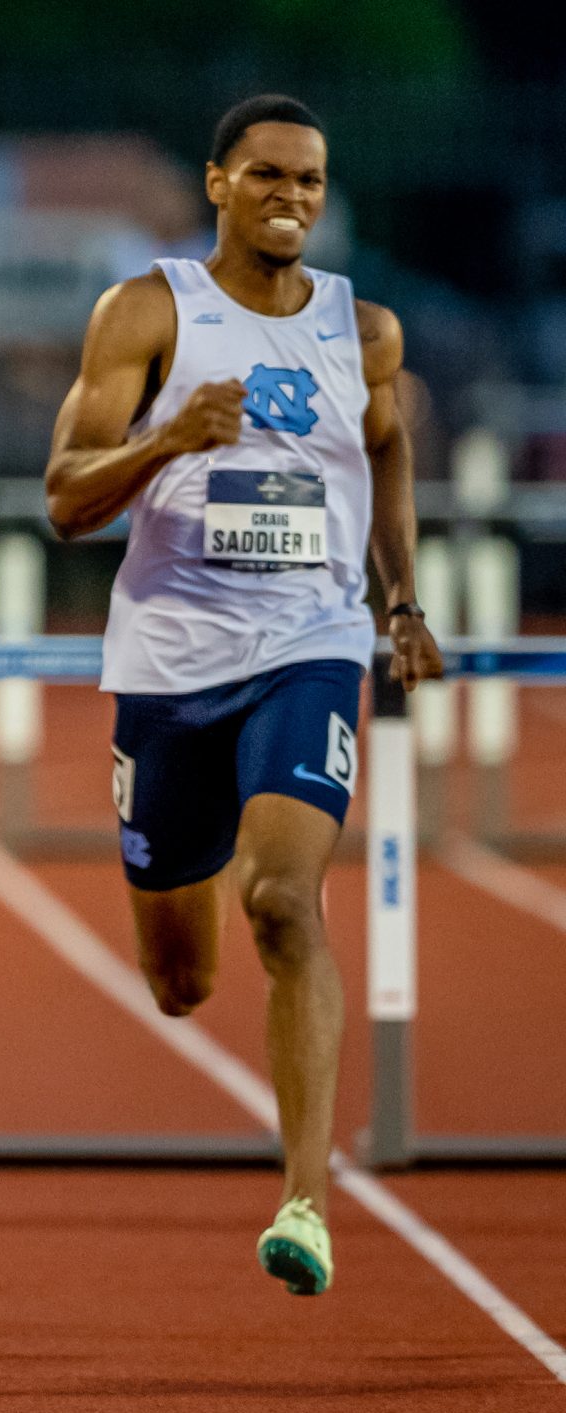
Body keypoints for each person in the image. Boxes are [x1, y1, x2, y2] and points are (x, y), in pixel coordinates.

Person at [44, 95, 442, 1297]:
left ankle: (307, 1201)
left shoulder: (362, 330)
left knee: (283, 903)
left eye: (310, 181)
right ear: (217, 184)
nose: (290, 197)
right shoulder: (151, 312)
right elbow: (63, 497)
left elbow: (385, 444)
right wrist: (169, 441)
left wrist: (402, 599)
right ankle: (192, 872)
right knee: (180, 982)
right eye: (266, 174)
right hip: (169, 664)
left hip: (303, 645)